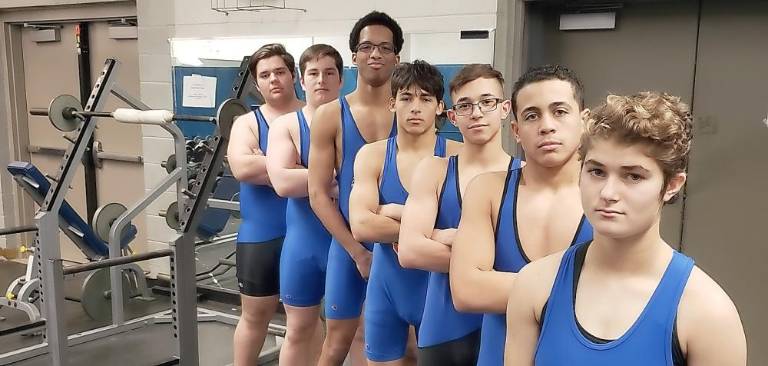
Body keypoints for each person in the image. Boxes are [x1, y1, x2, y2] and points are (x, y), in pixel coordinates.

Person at [504, 91, 747, 366]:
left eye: (633, 176)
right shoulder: (535, 285)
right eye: (597, 172)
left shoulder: (707, 313)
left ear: (672, 185)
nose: (608, 192)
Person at [450, 64, 593, 366]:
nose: (546, 126)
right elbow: (467, 291)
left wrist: (504, 288)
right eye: (531, 115)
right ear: (515, 131)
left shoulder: (606, 196)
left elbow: (624, 296)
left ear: (585, 121)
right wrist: (579, 292)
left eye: (560, 111)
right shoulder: (489, 190)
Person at [398, 64, 520, 366]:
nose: (476, 112)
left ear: (505, 109)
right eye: (465, 105)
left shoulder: (527, 176)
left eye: (487, 102)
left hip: (510, 327)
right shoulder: (435, 170)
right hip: (444, 328)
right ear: (452, 116)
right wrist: (488, 253)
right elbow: (410, 252)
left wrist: (446, 236)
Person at [349, 60, 462, 365]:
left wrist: (393, 211)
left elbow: (469, 232)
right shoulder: (372, 155)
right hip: (387, 287)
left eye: (425, 99)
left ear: (440, 107)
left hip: (439, 291)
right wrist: (431, 232)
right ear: (392, 103)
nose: (415, 107)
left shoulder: (458, 156)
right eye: (407, 98)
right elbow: (361, 225)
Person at [308, 11, 404, 365]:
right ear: (354, 55)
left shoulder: (412, 113)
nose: (375, 54)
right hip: (350, 247)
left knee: (401, 347)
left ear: (397, 56)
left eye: (384, 47)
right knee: (336, 345)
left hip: (399, 247)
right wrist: (356, 252)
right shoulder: (331, 115)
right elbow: (318, 193)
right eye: (366, 47)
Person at [266, 44, 344, 366]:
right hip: (303, 247)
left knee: (357, 332)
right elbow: (283, 183)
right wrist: (335, 177)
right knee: (298, 330)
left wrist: (306, 173)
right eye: (313, 73)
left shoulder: (355, 122)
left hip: (345, 245)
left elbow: (368, 183)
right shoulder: (287, 125)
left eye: (329, 73)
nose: (321, 80)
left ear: (341, 79)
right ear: (301, 80)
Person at [228, 43, 304, 366]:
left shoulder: (317, 114)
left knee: (306, 318)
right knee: (255, 316)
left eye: (279, 72)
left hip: (309, 235)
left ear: (294, 76)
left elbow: (336, 169)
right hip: (261, 237)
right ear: (257, 84)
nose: (273, 79)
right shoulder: (246, 123)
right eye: (265, 75)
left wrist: (269, 163)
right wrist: (297, 166)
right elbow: (243, 168)